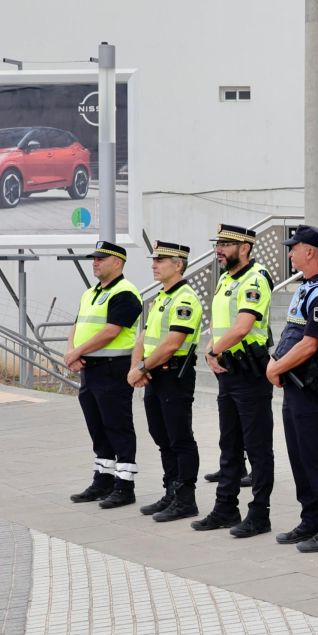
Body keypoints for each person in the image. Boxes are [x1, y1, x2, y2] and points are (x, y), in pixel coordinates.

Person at [265, 226, 318, 552]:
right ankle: (311, 519)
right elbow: (291, 335)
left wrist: (276, 366)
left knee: (316, 458)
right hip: (295, 384)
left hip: (312, 385)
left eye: (294, 248)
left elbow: (310, 343)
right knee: (300, 456)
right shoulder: (307, 289)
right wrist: (276, 362)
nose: (290, 253)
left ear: (311, 252)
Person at [197, 224, 275, 534]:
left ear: (245, 248)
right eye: (217, 243)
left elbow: (243, 326)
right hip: (227, 371)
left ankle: (259, 514)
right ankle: (225, 507)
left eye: (226, 243)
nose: (219, 248)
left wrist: (214, 350)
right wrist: (210, 350)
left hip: (250, 373)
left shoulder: (256, 279)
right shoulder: (227, 278)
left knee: (257, 447)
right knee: (228, 444)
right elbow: (221, 323)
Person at [66, 238, 144, 509]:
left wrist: (77, 353)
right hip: (90, 369)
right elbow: (77, 325)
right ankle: (103, 479)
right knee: (97, 426)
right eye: (94, 258)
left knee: (117, 425)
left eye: (101, 258)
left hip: (113, 368)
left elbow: (112, 331)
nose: (95, 263)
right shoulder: (90, 292)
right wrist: (71, 351)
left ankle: (125, 485)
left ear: (118, 262)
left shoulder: (126, 292)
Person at [132, 240, 203, 521]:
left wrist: (141, 367)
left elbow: (172, 343)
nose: (154, 265)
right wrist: (137, 367)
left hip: (174, 375)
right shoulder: (162, 296)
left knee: (180, 438)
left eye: (161, 260)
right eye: (154, 260)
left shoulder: (185, 298)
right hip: (154, 376)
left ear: (178, 265)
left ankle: (186, 498)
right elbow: (144, 336)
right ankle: (171, 491)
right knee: (161, 436)